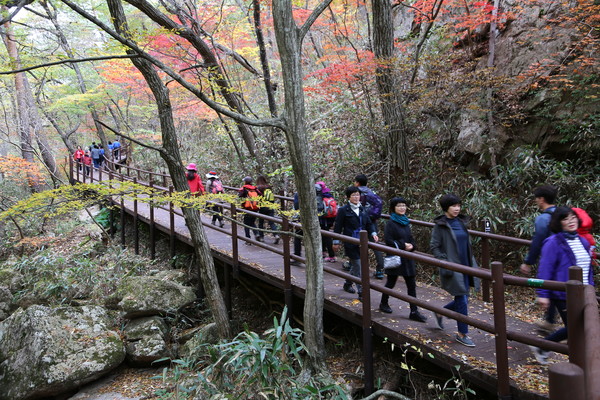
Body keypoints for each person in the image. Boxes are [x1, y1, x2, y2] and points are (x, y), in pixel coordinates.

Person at [529, 207, 594, 365]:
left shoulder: (582, 241)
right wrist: (543, 293)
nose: (571, 221)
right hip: (563, 293)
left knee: (577, 327)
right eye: (565, 219)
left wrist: (591, 290)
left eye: (573, 218)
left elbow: (588, 269)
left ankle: (543, 347)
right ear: (559, 223)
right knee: (577, 327)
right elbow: (545, 268)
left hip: (583, 292)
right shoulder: (553, 242)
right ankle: (543, 347)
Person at [430, 193, 478, 347]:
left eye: (458, 205)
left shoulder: (461, 222)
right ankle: (462, 334)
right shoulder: (441, 226)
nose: (457, 209)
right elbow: (434, 246)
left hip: (466, 264)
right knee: (462, 298)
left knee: (463, 297)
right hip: (453, 266)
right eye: (454, 206)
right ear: (446, 208)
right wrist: (445, 261)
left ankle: (441, 312)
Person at [379, 197, 427, 322]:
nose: (402, 208)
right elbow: (389, 241)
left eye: (404, 205)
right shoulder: (391, 223)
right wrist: (402, 245)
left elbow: (411, 238)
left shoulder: (405, 222)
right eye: (399, 205)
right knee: (391, 282)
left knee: (411, 284)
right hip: (396, 257)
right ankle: (383, 303)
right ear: (393, 208)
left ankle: (414, 311)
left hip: (407, 257)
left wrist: (412, 246)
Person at [520, 185, 558, 332]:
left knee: (553, 288)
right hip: (567, 259)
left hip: (551, 260)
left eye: (536, 198)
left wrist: (528, 262)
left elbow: (538, 241)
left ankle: (565, 329)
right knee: (557, 289)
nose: (536, 201)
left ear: (541, 199)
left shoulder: (544, 218)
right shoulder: (563, 214)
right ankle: (549, 320)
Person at [333, 186, 378, 301]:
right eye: (353, 195)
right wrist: (336, 241)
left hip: (362, 243)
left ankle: (348, 283)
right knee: (358, 265)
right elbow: (338, 226)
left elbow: (368, 223)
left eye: (358, 195)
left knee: (355, 265)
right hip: (350, 242)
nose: (356, 197)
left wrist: (373, 233)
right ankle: (361, 291)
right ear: (348, 197)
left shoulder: (362, 209)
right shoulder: (343, 210)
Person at [354, 174, 385, 279]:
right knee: (375, 244)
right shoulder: (371, 192)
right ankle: (380, 269)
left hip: (360, 221)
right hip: (372, 221)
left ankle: (353, 264)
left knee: (357, 241)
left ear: (357, 182)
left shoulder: (356, 192)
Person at [256, 175, 280, 244]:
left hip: (262, 207)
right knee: (271, 222)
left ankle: (261, 237)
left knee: (261, 222)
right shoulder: (269, 187)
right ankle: (276, 235)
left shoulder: (258, 188)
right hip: (270, 206)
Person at [317, 181, 337, 262]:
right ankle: (323, 252)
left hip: (323, 218)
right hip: (330, 218)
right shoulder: (329, 194)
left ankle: (331, 255)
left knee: (326, 235)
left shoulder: (319, 196)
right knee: (324, 234)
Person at [239, 176, 261, 244]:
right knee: (252, 222)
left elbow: (240, 196)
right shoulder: (255, 188)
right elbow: (260, 195)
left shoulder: (243, 188)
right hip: (255, 208)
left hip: (247, 208)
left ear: (245, 182)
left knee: (246, 224)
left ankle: (248, 239)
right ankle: (256, 234)